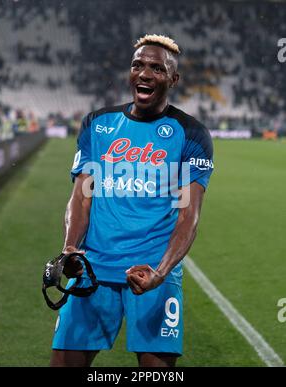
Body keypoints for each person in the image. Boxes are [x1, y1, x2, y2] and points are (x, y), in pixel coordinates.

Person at [50, 34, 214, 367]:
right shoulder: (97, 124)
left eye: (157, 68)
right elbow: (81, 198)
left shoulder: (191, 134)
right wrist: (69, 248)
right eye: (138, 65)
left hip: (151, 272)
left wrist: (161, 271)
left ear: (173, 79)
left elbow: (189, 218)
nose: (145, 73)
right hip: (92, 268)